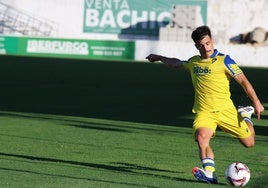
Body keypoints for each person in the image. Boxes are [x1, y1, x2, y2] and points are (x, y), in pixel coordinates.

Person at [146, 26, 264, 184]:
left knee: (249, 143)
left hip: (226, 110)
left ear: (212, 41)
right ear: (196, 46)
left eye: (208, 43)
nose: (206, 47)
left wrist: (256, 102)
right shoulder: (194, 62)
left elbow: (243, 81)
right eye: (201, 45)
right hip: (205, 112)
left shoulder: (224, 60)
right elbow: (176, 63)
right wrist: (159, 57)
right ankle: (210, 174)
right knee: (201, 137)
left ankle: (246, 116)